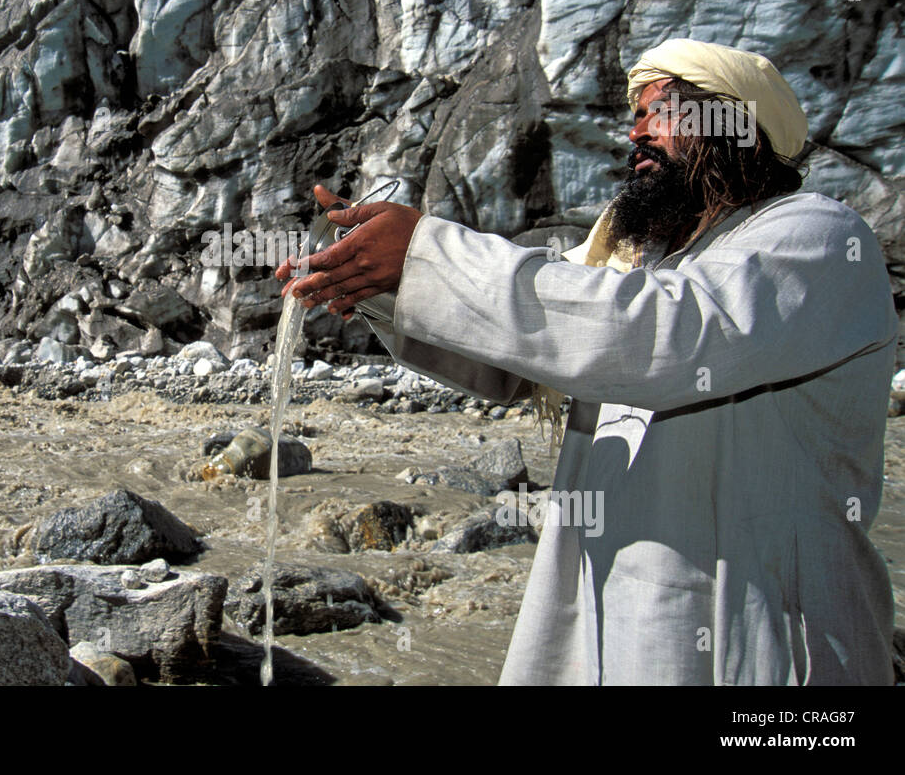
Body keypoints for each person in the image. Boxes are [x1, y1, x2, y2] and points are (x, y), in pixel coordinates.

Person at [274, 39, 898, 685]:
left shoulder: (816, 237)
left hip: (764, 647)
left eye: (660, 112)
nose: (636, 133)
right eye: (636, 117)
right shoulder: (641, 267)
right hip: (625, 634)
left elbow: (663, 333)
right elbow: (517, 365)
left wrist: (430, 253)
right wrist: (381, 284)